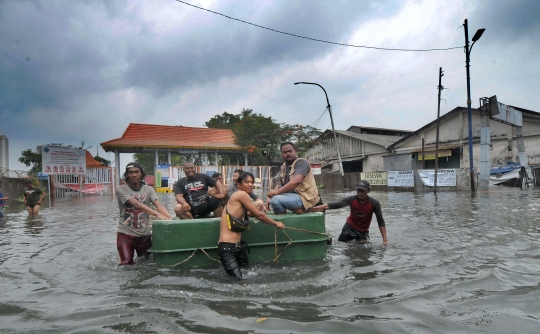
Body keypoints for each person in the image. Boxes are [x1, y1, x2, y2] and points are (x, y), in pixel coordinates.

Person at [219, 171, 284, 279]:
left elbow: (248, 213)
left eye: (252, 182)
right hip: (228, 249)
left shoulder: (240, 198)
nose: (250, 184)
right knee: (240, 282)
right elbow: (259, 215)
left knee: (246, 275)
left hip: (239, 247)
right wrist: (276, 223)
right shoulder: (241, 194)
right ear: (238, 184)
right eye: (246, 182)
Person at [116, 162, 171, 265]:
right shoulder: (121, 189)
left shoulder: (149, 189)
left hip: (144, 235)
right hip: (125, 234)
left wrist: (168, 217)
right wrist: (157, 214)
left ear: (141, 174)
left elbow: (158, 205)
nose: (134, 175)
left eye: (137, 172)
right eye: (131, 172)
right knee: (126, 263)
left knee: (147, 263)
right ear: (127, 175)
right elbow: (136, 204)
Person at [309, 180, 388, 245]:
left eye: (362, 191)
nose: (360, 193)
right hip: (349, 228)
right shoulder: (351, 200)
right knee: (340, 245)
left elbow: (380, 221)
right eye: (358, 190)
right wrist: (310, 209)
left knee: (363, 250)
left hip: (363, 232)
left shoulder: (374, 203)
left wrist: (384, 240)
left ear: (368, 191)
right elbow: (333, 205)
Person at [266, 142, 321, 214]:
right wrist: (270, 197)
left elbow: (297, 181)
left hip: (306, 198)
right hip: (293, 196)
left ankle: (283, 222)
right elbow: (279, 184)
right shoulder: (283, 167)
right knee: (273, 199)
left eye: (290, 151)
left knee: (275, 200)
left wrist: (277, 192)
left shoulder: (301, 163)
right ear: (281, 154)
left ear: (295, 151)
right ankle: (283, 217)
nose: (288, 154)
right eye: (285, 152)